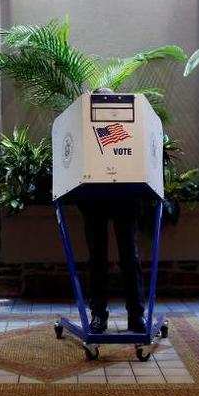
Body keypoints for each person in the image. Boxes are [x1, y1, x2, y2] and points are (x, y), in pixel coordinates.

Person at [78, 87, 147, 334]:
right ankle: (99, 315)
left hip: (125, 196)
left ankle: (136, 316)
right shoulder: (85, 129)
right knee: (98, 259)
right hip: (94, 197)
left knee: (130, 257)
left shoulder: (130, 125)